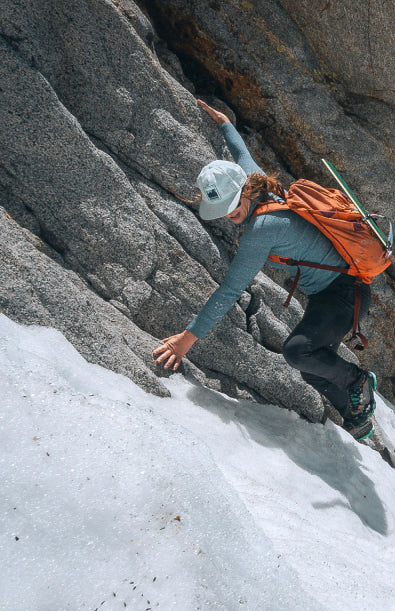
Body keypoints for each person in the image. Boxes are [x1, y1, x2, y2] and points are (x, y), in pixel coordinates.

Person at [153, 99, 377, 440]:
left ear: (245, 190)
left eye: (230, 206)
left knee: (297, 351)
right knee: (313, 365)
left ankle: (358, 381)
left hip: (343, 295)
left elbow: (230, 290)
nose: (229, 215)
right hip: (334, 293)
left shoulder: (263, 227)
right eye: (221, 209)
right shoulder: (263, 186)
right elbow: (241, 154)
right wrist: (225, 123)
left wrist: (187, 339)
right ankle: (357, 419)